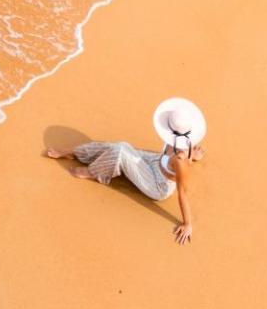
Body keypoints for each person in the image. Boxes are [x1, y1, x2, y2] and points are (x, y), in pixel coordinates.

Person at [45, 97, 206, 246]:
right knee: (121, 145)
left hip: (157, 184)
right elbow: (183, 154)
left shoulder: (180, 159)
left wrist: (187, 224)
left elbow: (183, 192)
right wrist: (194, 156)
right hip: (155, 161)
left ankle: (93, 172)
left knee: (120, 152)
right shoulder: (186, 141)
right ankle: (74, 152)